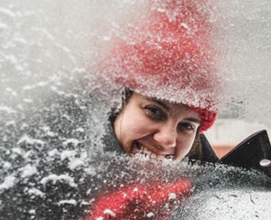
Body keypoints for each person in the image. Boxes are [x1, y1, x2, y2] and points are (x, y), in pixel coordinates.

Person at [87, 0, 223, 219]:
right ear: (116, 105)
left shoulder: (204, 188)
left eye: (186, 126)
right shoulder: (48, 162)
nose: (167, 140)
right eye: (154, 111)